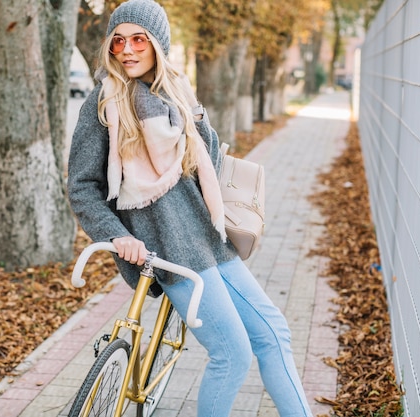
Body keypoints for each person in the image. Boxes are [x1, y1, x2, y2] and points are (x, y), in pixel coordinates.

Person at [67, 0, 313, 415]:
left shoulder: (175, 93)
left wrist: (197, 117)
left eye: (139, 40)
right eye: (118, 41)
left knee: (275, 334)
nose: (127, 50)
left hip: (210, 241)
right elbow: (82, 187)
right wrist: (118, 235)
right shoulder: (103, 105)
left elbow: (209, 168)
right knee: (232, 354)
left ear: (158, 44)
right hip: (169, 251)